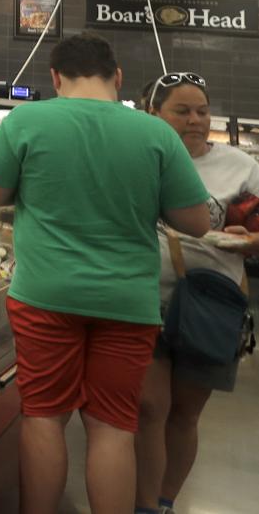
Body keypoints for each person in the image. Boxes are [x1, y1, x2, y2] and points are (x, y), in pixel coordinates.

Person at [0, 33, 211, 514]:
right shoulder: (155, 133)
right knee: (113, 426)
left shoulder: (26, 120)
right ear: (117, 76)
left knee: (43, 418)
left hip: (44, 296)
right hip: (127, 302)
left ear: (56, 78)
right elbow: (197, 222)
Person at [134, 72, 259, 513]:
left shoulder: (242, 166)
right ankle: (144, 504)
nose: (196, 120)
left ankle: (165, 501)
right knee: (149, 408)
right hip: (142, 299)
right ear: (153, 114)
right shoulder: (137, 157)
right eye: (182, 111)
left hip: (210, 305)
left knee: (184, 414)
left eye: (202, 111)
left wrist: (249, 239)